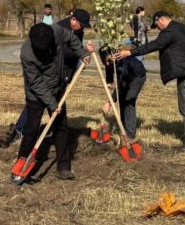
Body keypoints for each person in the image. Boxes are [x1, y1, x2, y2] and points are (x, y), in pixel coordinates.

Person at [115, 11, 185, 152]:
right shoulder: (184, 27)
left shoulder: (169, 32)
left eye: (157, 24)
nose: (157, 28)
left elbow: (153, 45)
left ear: (162, 19)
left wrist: (130, 52)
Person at [18, 22, 94, 180]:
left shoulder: (57, 31)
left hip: (57, 87)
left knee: (61, 126)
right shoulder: (27, 52)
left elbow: (73, 39)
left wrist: (83, 53)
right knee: (32, 127)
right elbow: (36, 82)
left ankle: (63, 166)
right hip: (36, 94)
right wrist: (52, 104)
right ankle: (22, 162)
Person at [10, 9, 92, 142]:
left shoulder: (76, 31)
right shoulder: (57, 29)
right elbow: (62, 53)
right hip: (49, 73)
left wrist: (83, 53)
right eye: (81, 25)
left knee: (55, 106)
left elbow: (74, 44)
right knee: (37, 103)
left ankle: (55, 133)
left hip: (62, 73)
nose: (82, 28)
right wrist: (81, 52)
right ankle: (20, 130)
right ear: (74, 19)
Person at [100, 47, 146, 140]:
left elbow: (122, 85)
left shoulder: (122, 61)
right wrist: (109, 83)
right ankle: (122, 127)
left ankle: (129, 134)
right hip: (125, 78)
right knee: (121, 99)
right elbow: (109, 74)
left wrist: (109, 102)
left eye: (109, 60)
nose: (107, 63)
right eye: (105, 61)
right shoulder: (109, 62)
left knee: (128, 100)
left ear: (114, 55)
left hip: (137, 76)